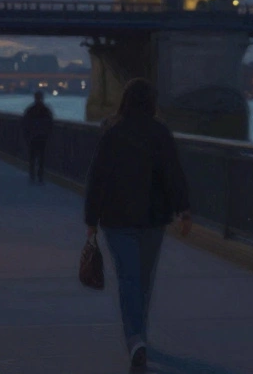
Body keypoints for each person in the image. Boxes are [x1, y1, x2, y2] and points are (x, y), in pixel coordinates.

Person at [84, 78, 191, 372]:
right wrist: (183, 209)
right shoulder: (160, 133)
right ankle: (138, 336)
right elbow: (173, 173)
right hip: (152, 219)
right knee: (143, 280)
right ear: (152, 103)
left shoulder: (113, 132)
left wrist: (91, 220)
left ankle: (135, 340)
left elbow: (97, 178)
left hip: (117, 220)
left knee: (128, 279)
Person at [21, 91, 54, 184]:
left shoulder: (30, 110)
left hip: (33, 137)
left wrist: (27, 135)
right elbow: (50, 124)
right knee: (41, 158)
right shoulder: (46, 110)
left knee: (32, 157)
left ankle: (32, 175)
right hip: (42, 137)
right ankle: (40, 176)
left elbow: (25, 124)